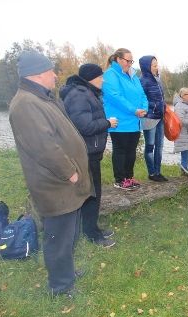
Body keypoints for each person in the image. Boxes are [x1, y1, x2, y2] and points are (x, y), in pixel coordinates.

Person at [9, 50, 92, 297]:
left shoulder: (41, 98)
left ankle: (65, 272)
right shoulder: (25, 104)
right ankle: (60, 285)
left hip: (63, 182)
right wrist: (70, 172)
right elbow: (44, 146)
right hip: (54, 183)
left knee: (69, 233)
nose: (55, 76)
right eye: (50, 71)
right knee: (58, 237)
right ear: (37, 74)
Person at [60, 64, 117, 248]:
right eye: (101, 76)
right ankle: (92, 234)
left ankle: (91, 228)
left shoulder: (87, 92)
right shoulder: (79, 95)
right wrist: (108, 122)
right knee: (92, 194)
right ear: (91, 77)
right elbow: (84, 126)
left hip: (90, 152)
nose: (104, 79)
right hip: (85, 153)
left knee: (92, 193)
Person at [102, 48, 148, 190]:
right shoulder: (111, 74)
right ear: (118, 59)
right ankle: (120, 179)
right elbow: (115, 97)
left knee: (131, 151)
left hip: (135, 121)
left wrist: (144, 108)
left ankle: (129, 177)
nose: (130, 63)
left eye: (131, 61)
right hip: (120, 121)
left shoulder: (133, 75)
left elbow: (142, 94)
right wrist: (134, 110)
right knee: (121, 150)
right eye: (128, 61)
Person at [139, 55, 168, 182]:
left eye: (157, 64)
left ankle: (158, 171)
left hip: (160, 117)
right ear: (146, 66)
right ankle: (152, 173)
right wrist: (155, 106)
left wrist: (164, 108)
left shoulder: (158, 80)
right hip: (149, 118)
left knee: (160, 146)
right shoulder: (142, 81)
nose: (157, 67)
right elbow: (140, 100)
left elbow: (161, 98)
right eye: (154, 65)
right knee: (150, 146)